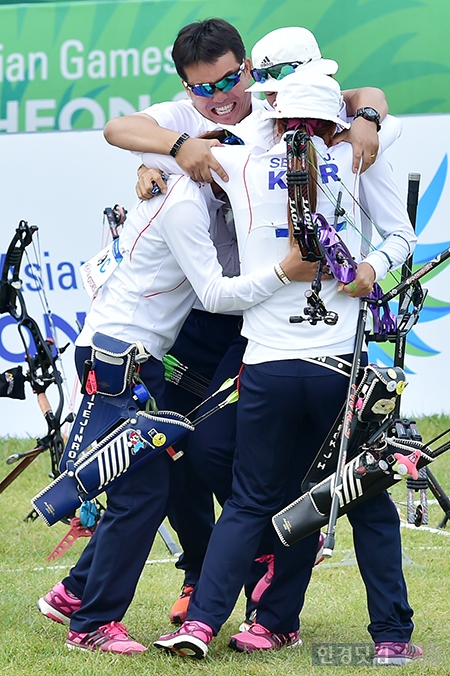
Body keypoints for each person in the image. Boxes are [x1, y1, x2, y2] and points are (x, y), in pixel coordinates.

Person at [103, 19, 394, 625]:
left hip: (264, 318)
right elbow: (117, 128)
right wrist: (172, 149)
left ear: (249, 70)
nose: (223, 95)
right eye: (205, 87)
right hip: (203, 314)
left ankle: (271, 557)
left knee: (242, 451)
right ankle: (201, 571)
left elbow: (363, 98)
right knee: (179, 444)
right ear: (186, 89)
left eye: (234, 77)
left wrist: (366, 119)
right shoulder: (192, 116)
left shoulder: (292, 108)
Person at [150, 70, 422, 666]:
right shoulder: (356, 150)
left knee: (250, 501)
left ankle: (201, 625)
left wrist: (154, 166)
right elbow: (401, 236)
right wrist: (374, 266)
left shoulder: (242, 158)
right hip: (337, 368)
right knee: (367, 500)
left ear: (271, 114)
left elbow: (165, 160)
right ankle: (390, 638)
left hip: (273, 366)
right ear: (334, 120)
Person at [36, 157, 310, 654]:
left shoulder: (182, 192)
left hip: (130, 356)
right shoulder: (184, 203)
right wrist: (283, 271)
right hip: (122, 359)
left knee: (152, 487)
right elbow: (213, 293)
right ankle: (91, 621)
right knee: (140, 495)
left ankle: (74, 596)